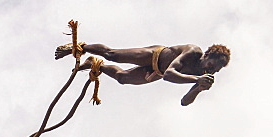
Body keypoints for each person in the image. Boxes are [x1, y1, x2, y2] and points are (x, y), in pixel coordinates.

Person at [55, 40, 230, 105]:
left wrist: (198, 88)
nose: (213, 70)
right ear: (207, 55)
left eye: (217, 70)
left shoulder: (202, 76)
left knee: (122, 78)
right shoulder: (193, 51)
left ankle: (96, 65)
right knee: (113, 55)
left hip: (157, 72)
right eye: (213, 65)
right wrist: (197, 79)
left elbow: (184, 102)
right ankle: (81, 47)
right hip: (155, 56)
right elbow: (170, 74)